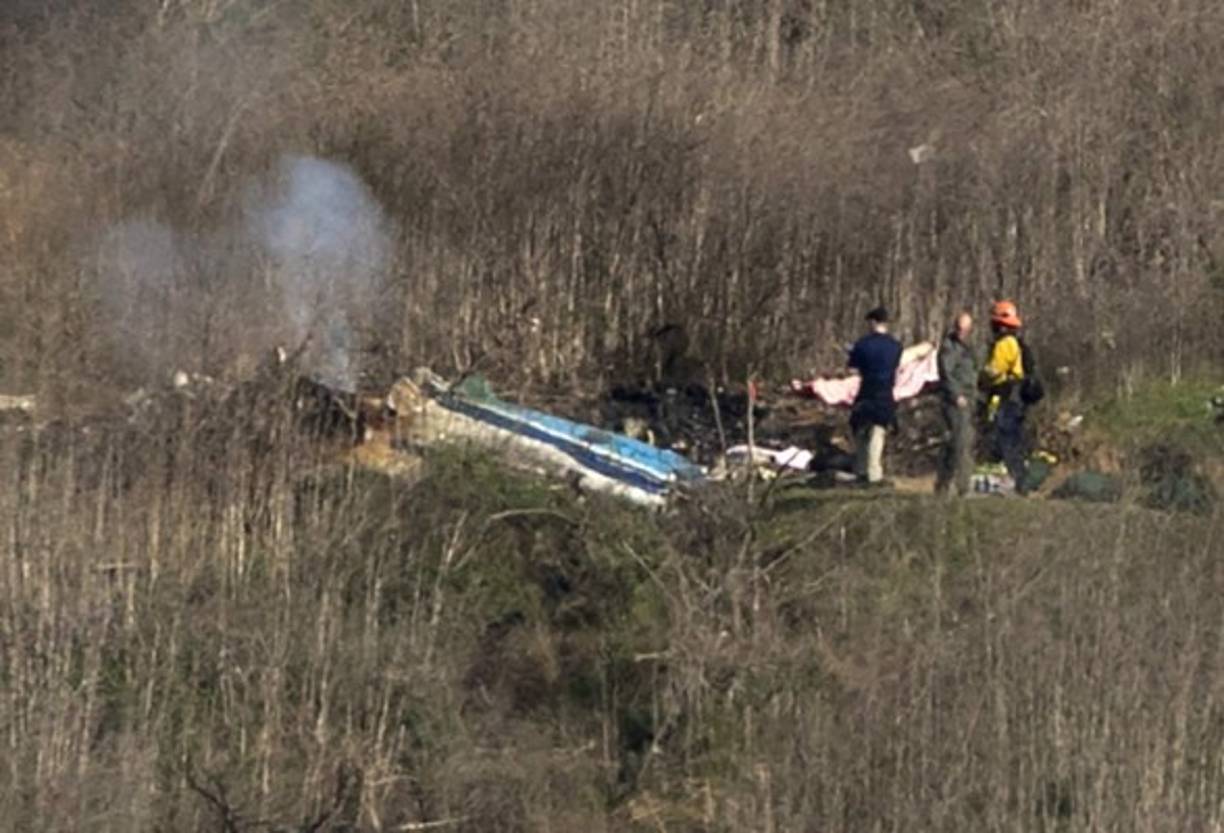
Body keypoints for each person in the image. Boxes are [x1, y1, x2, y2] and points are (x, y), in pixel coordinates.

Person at [980, 300, 1031, 494]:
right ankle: (1017, 480)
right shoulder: (1014, 342)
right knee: (1012, 439)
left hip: (1008, 396)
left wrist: (981, 374)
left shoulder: (1004, 344)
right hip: (1014, 397)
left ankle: (1017, 481)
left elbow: (995, 370)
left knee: (1007, 439)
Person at [848, 306, 902, 486]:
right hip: (886, 393)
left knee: (862, 431)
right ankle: (875, 472)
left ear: (872, 322)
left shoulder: (862, 344)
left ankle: (862, 471)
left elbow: (852, 368)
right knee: (878, 433)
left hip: (866, 391)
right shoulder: (895, 346)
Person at [936, 311, 977, 497]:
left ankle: (944, 485)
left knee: (956, 443)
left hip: (970, 398)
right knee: (961, 442)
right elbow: (946, 374)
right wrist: (956, 395)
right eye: (960, 328)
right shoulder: (949, 348)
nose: (963, 332)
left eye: (966, 329)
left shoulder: (970, 348)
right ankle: (963, 487)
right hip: (955, 402)